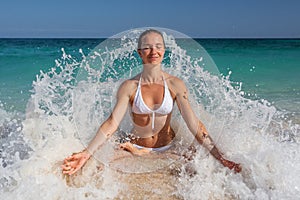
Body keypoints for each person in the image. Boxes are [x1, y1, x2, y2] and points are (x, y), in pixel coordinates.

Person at [61, 29, 242, 175]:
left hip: (169, 148)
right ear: (140, 53)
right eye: (147, 47)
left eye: (158, 46)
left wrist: (220, 157)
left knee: (199, 173)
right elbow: (112, 123)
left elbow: (194, 124)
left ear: (164, 51)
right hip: (136, 146)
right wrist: (87, 153)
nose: (153, 51)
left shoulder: (175, 85)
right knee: (98, 170)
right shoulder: (129, 87)